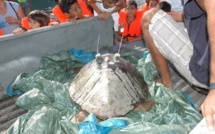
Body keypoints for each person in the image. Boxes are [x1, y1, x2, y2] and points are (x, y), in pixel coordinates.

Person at [142, 0, 215, 131]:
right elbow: (193, 14)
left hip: (206, 74)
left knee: (149, 17)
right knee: (157, 15)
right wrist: (165, 15)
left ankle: (167, 87)